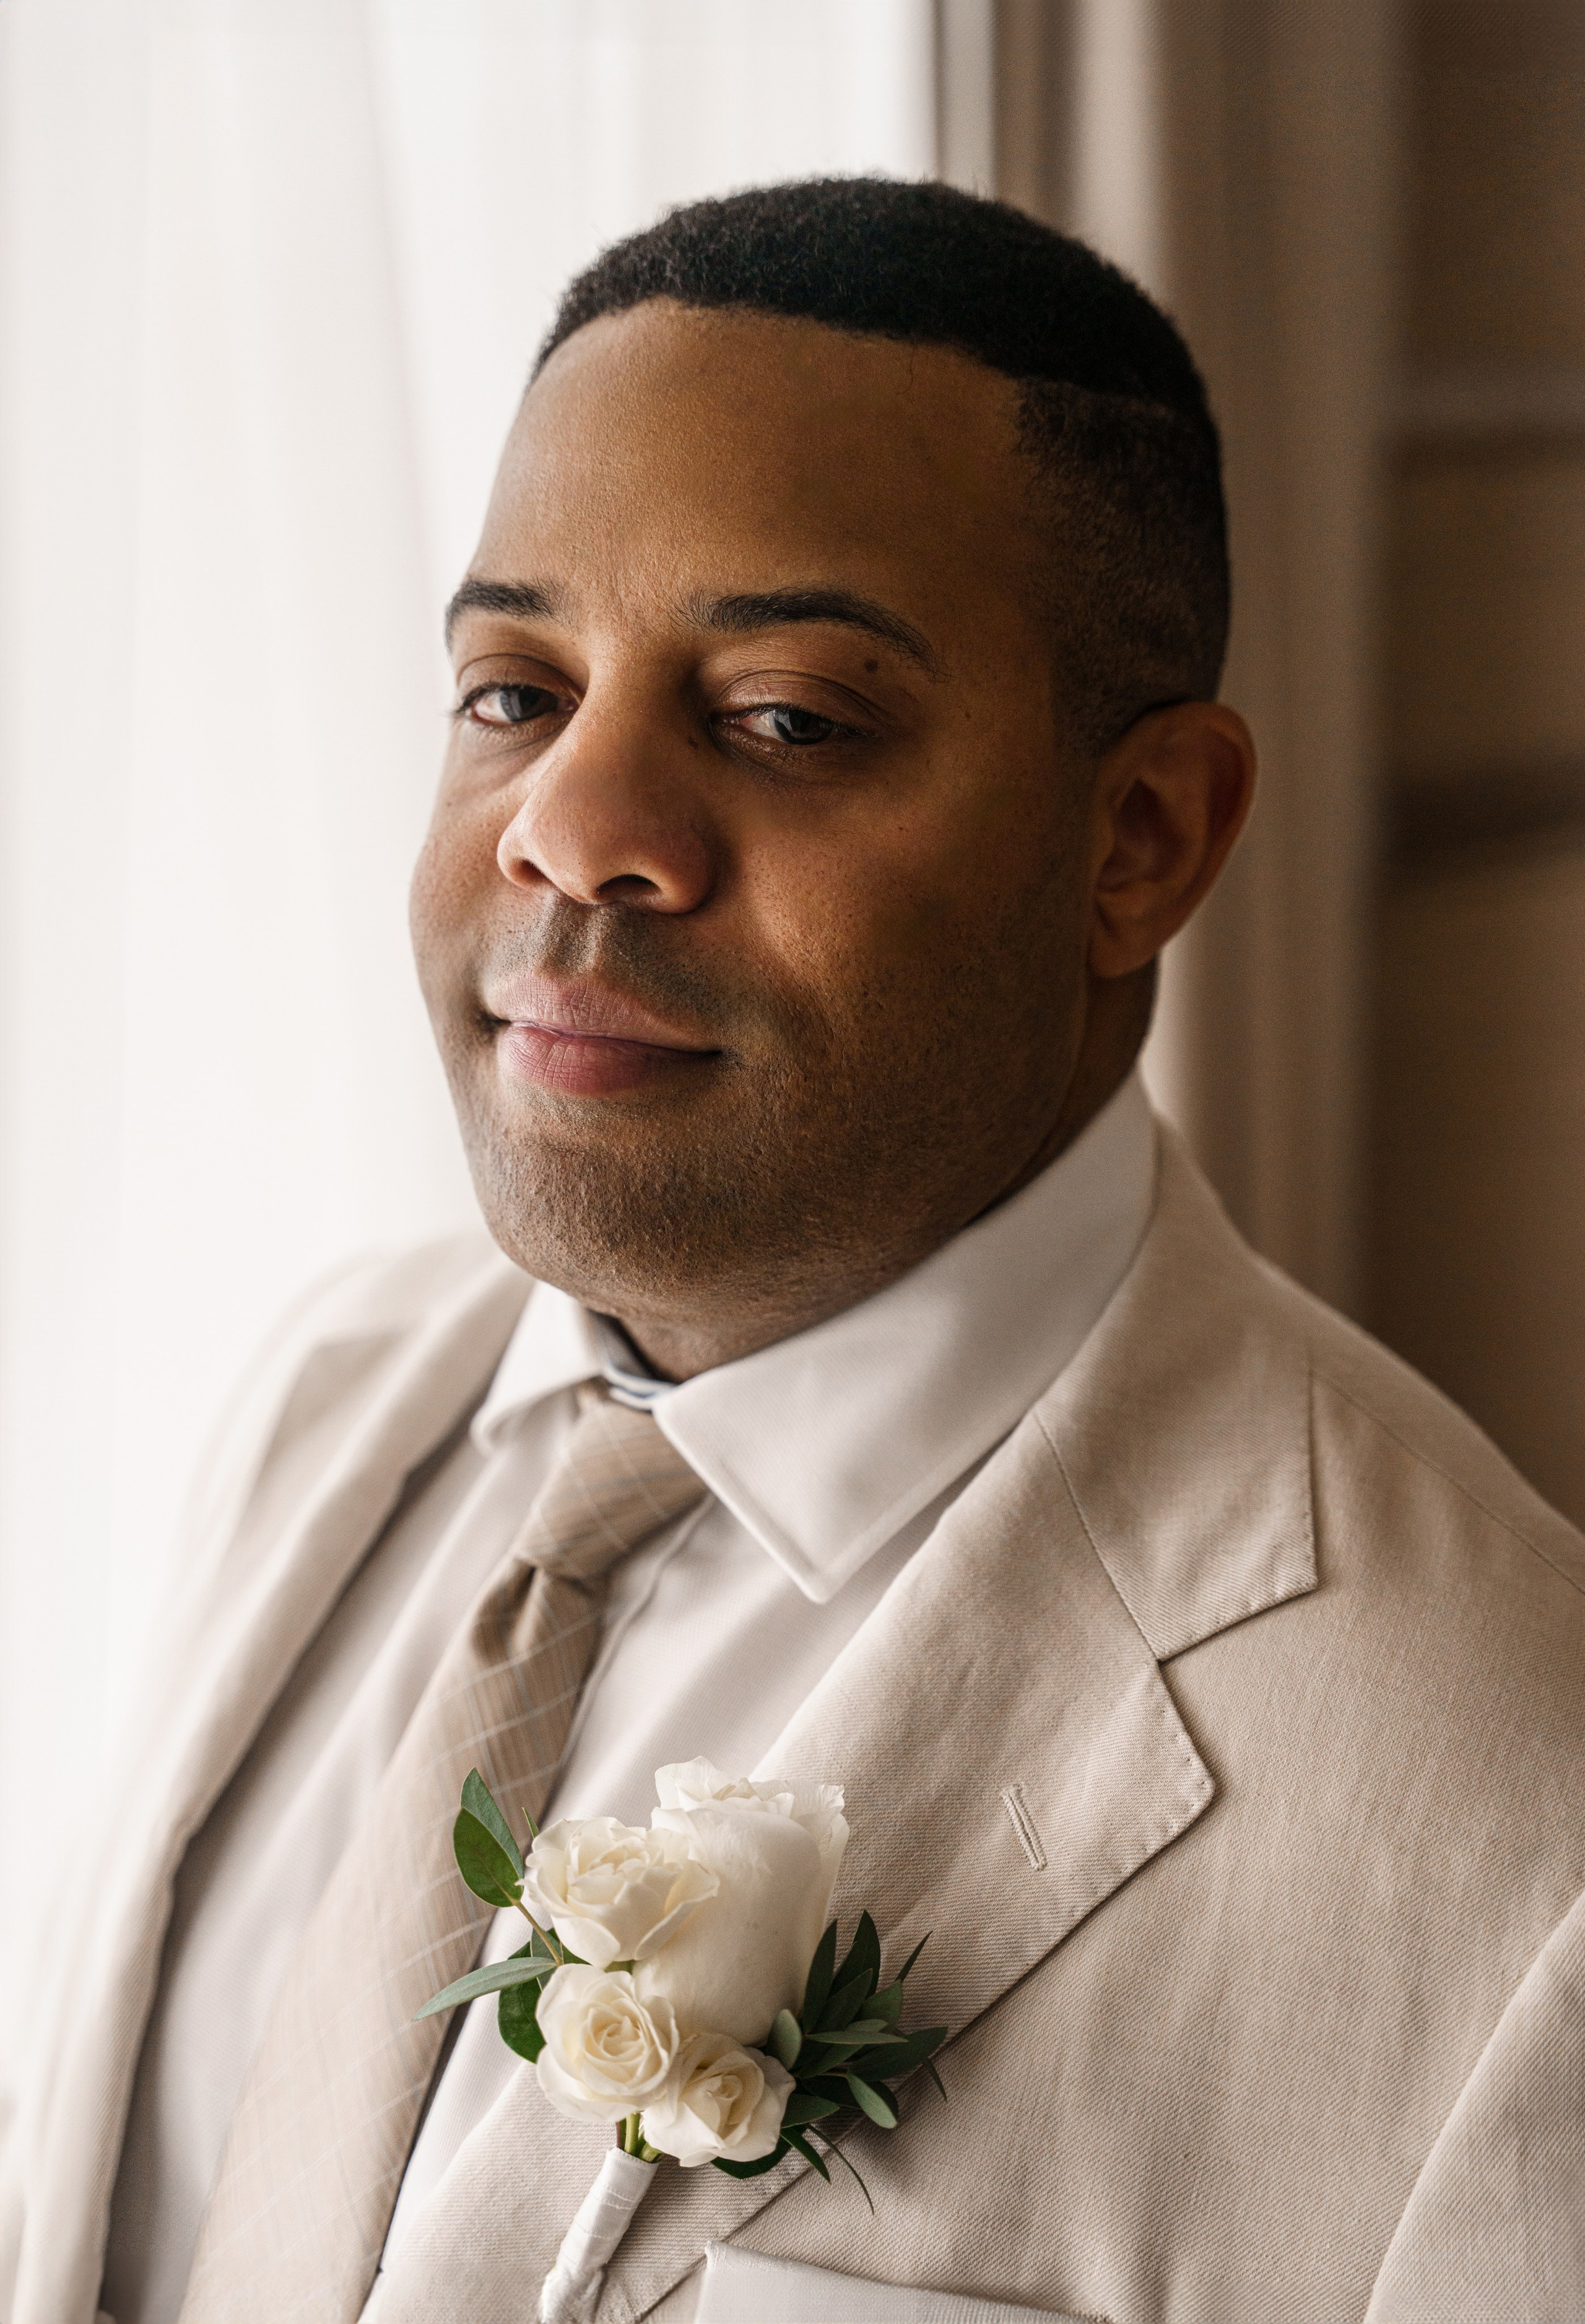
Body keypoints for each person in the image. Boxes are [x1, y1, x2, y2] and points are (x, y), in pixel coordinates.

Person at [5, 176, 1584, 2324]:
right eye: (514, 687)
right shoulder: (320, 1404)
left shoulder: (1521, 1823)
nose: (573, 824)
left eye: (785, 719)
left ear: (1142, 842)